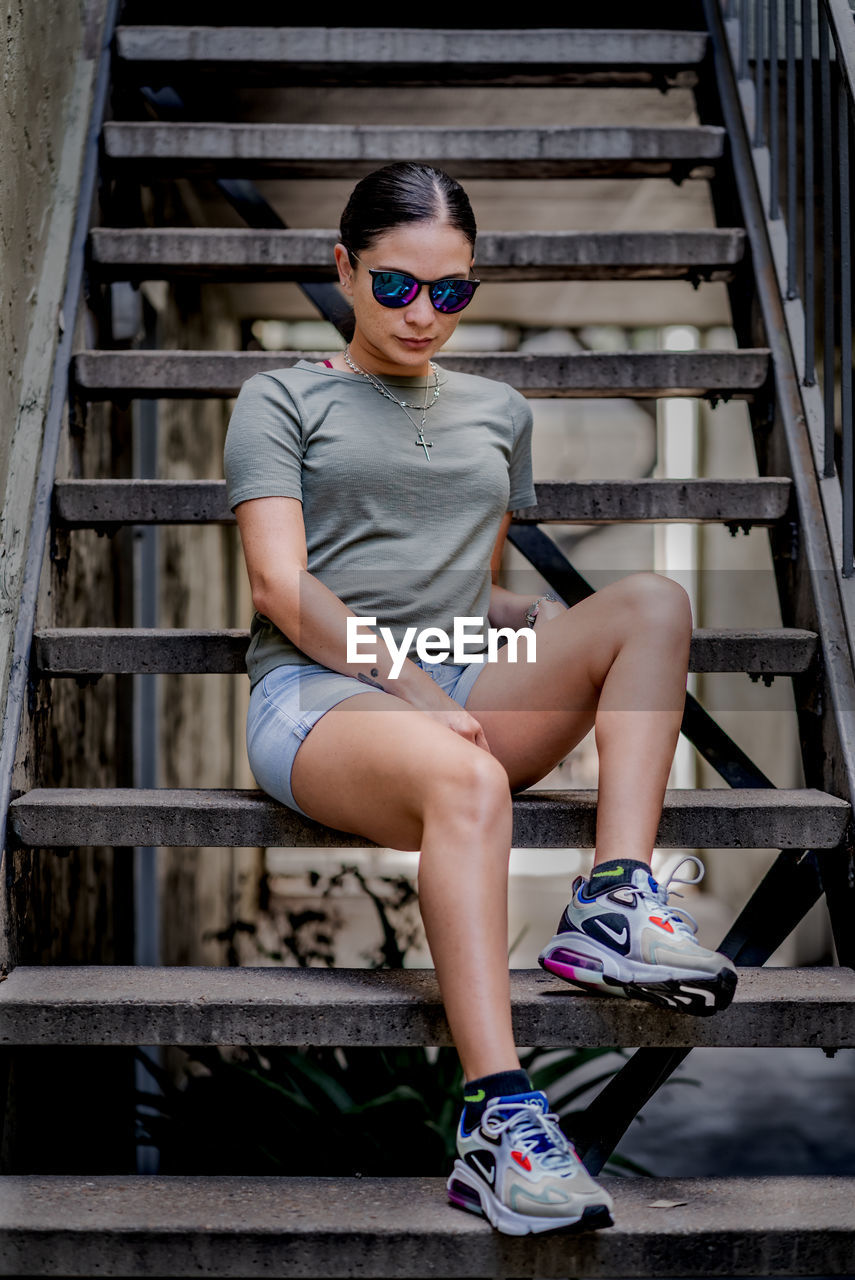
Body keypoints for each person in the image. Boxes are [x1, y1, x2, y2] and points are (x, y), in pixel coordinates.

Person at [224, 162, 737, 1236]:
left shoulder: (498, 410)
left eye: (450, 291)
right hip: (318, 696)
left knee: (650, 602)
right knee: (465, 777)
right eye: (398, 286)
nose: (424, 314)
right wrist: (406, 680)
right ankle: (498, 1120)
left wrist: (542, 634)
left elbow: (466, 579)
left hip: (453, 672)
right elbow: (279, 583)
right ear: (345, 271)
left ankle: (614, 897)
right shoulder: (282, 396)